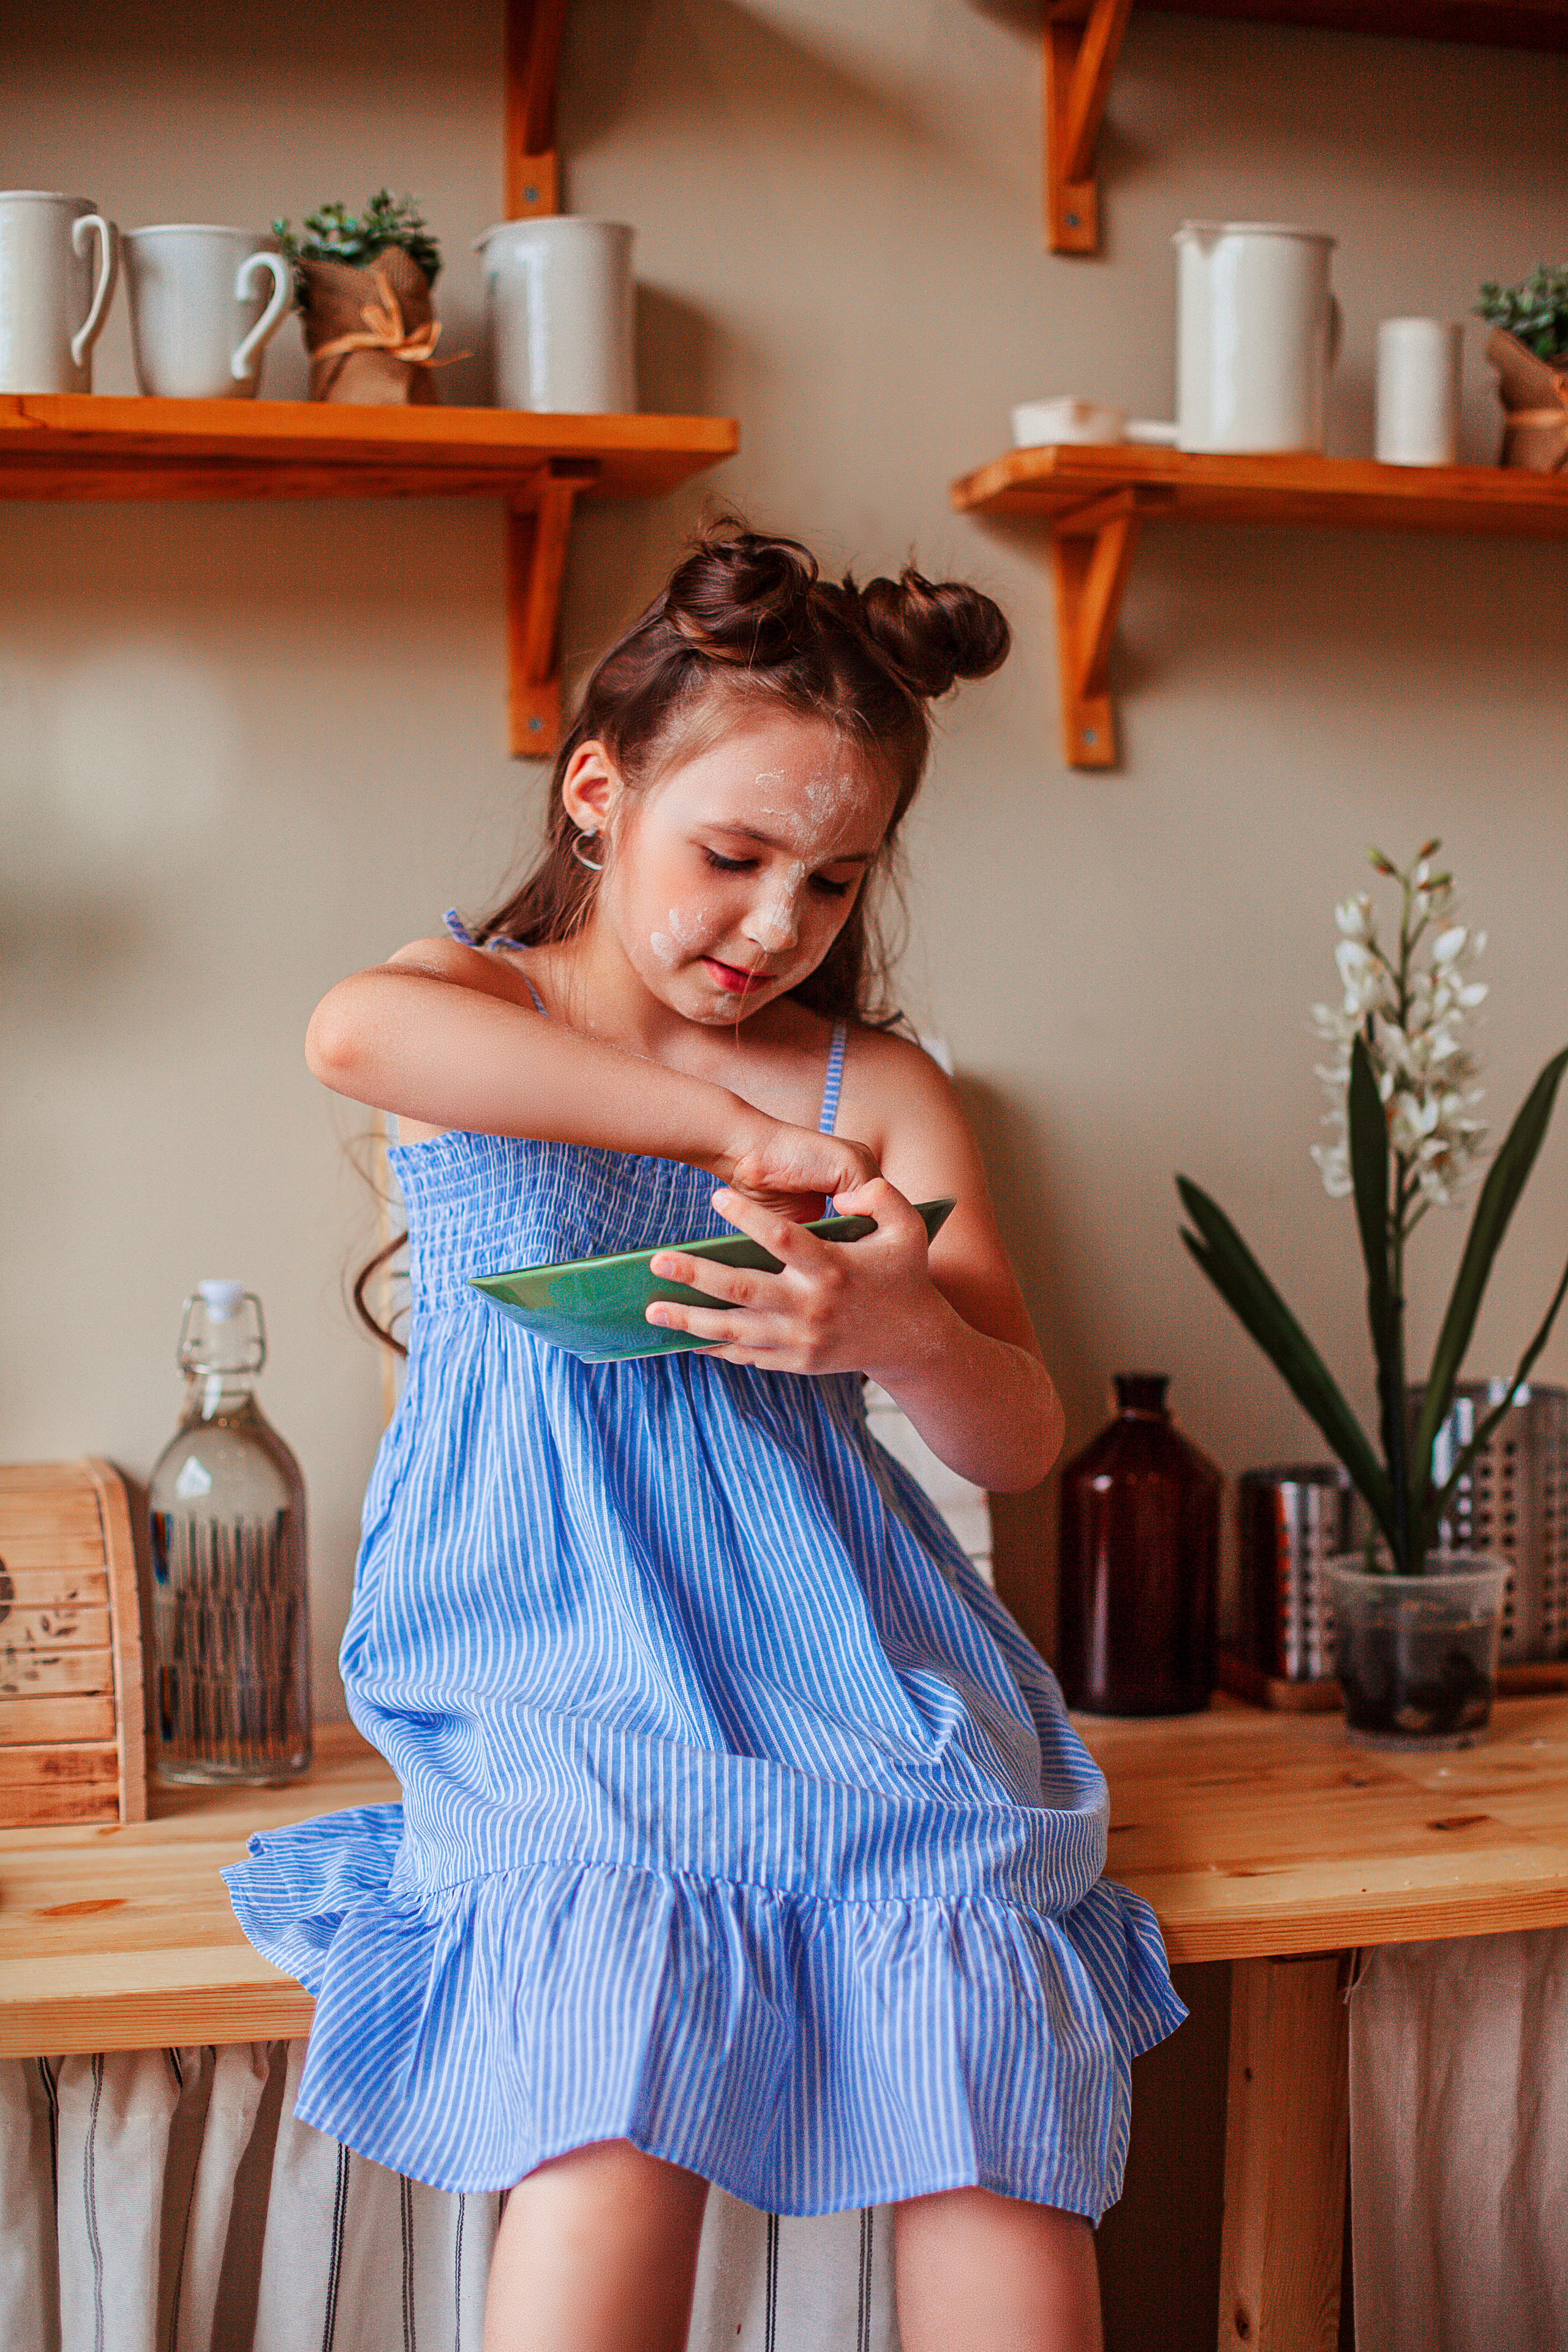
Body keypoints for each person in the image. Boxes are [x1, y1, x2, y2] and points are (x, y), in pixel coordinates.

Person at [224, 522, 1185, 2352]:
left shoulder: (880, 1088)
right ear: (599, 794)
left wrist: (899, 1323)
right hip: (554, 1650)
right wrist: (723, 1137)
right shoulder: (480, 1013)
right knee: (611, 2024)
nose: (772, 927)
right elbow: (351, 1034)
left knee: (971, 1987)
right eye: (731, 857)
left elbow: (1016, 1438)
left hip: (850, 1659)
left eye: (831, 884)